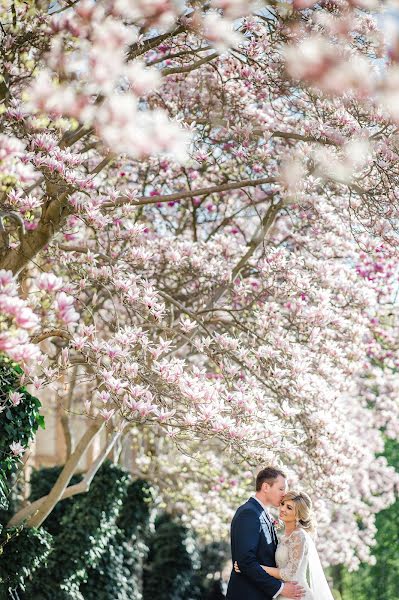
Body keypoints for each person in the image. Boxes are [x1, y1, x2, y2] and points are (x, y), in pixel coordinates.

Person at [234, 490, 335, 600]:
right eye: (283, 504)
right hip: (284, 593)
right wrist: (247, 565)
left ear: (298, 515)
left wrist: (250, 567)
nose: (282, 509)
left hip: (296, 594)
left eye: (289, 508)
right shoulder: (284, 536)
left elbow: (288, 574)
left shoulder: (298, 536)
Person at [226, 467, 305, 600]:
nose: (284, 494)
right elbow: (246, 561)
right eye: (281, 489)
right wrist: (280, 588)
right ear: (266, 487)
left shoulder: (262, 514)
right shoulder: (249, 513)